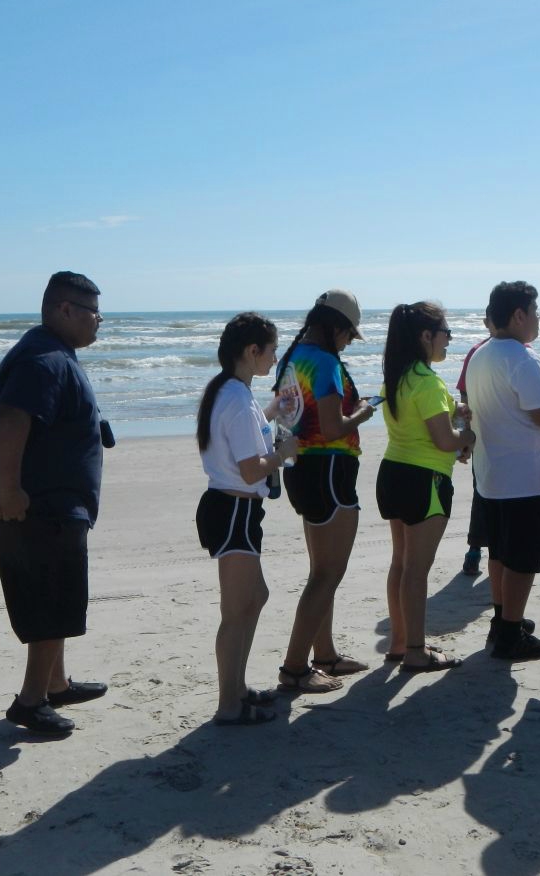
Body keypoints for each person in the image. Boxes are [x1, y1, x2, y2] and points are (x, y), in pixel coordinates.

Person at [0, 271, 110, 735]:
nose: (100, 321)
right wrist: (10, 489)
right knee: (49, 602)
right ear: (65, 310)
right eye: (94, 312)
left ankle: (56, 684)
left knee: (60, 598)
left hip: (56, 505)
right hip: (41, 508)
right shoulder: (43, 358)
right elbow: (13, 417)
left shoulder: (54, 354)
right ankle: (32, 701)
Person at [195, 313, 298, 725]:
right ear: (251, 351)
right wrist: (286, 453)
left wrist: (275, 409)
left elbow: (249, 430)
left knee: (255, 598)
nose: (274, 359)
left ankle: (236, 689)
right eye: (271, 351)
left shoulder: (232, 390)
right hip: (234, 509)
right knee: (236, 611)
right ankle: (228, 705)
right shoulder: (236, 398)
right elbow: (253, 468)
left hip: (237, 509)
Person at [273, 290, 376, 692]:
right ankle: (295, 667)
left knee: (321, 572)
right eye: (349, 334)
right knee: (328, 574)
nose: (349, 342)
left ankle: (326, 654)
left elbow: (286, 419)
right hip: (331, 471)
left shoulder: (291, 358)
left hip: (300, 470)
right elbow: (333, 428)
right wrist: (363, 413)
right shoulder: (326, 362)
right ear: (336, 328)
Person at [465, 281, 540, 661]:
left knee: (501, 553)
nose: (537, 320)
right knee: (522, 559)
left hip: (494, 473)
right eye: (535, 312)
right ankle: (510, 634)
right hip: (528, 477)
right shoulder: (522, 358)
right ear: (519, 315)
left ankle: (504, 621)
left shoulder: (482, 353)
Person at [377, 302, 474, 672]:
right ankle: (415, 650)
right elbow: (445, 442)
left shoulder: (398, 376)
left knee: (401, 563)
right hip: (425, 480)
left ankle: (401, 643)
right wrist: (470, 436)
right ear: (426, 336)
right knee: (417, 570)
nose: (448, 339)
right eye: (445, 333)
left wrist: (454, 419)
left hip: (394, 473)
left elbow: (425, 425)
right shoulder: (428, 380)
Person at [455, 319, 493, 577]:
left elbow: (464, 398)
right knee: (483, 493)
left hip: (486, 437)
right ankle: (475, 550)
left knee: (483, 493)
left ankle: (475, 551)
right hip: (484, 437)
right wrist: (466, 437)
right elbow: (464, 400)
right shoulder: (478, 351)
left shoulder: (478, 352)